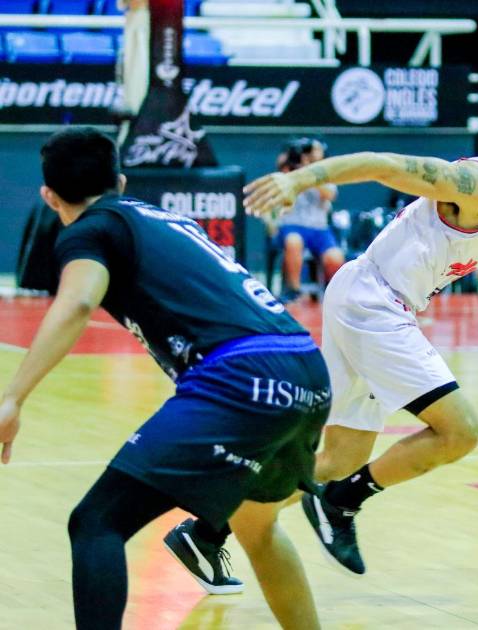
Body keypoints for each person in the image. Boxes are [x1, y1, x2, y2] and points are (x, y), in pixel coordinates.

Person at [168, 96, 478, 579]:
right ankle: (340, 505)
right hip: (374, 299)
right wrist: (300, 179)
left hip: (369, 299)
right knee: (461, 430)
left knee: (339, 459)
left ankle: (205, 531)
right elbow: (382, 164)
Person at [0, 127, 332, 629]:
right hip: (307, 367)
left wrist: (13, 397)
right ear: (121, 181)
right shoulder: (164, 218)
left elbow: (79, 301)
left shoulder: (92, 227)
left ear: (49, 197)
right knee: (257, 528)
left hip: (240, 376)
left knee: (96, 522)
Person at [269, 138, 344, 303]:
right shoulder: (290, 170)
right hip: (292, 225)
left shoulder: (326, 173)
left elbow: (329, 195)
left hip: (319, 229)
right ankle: (293, 290)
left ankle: (333, 293)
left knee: (335, 257)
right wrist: (294, 164)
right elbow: (280, 176)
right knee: (293, 242)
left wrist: (310, 172)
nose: (310, 154)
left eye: (315, 151)